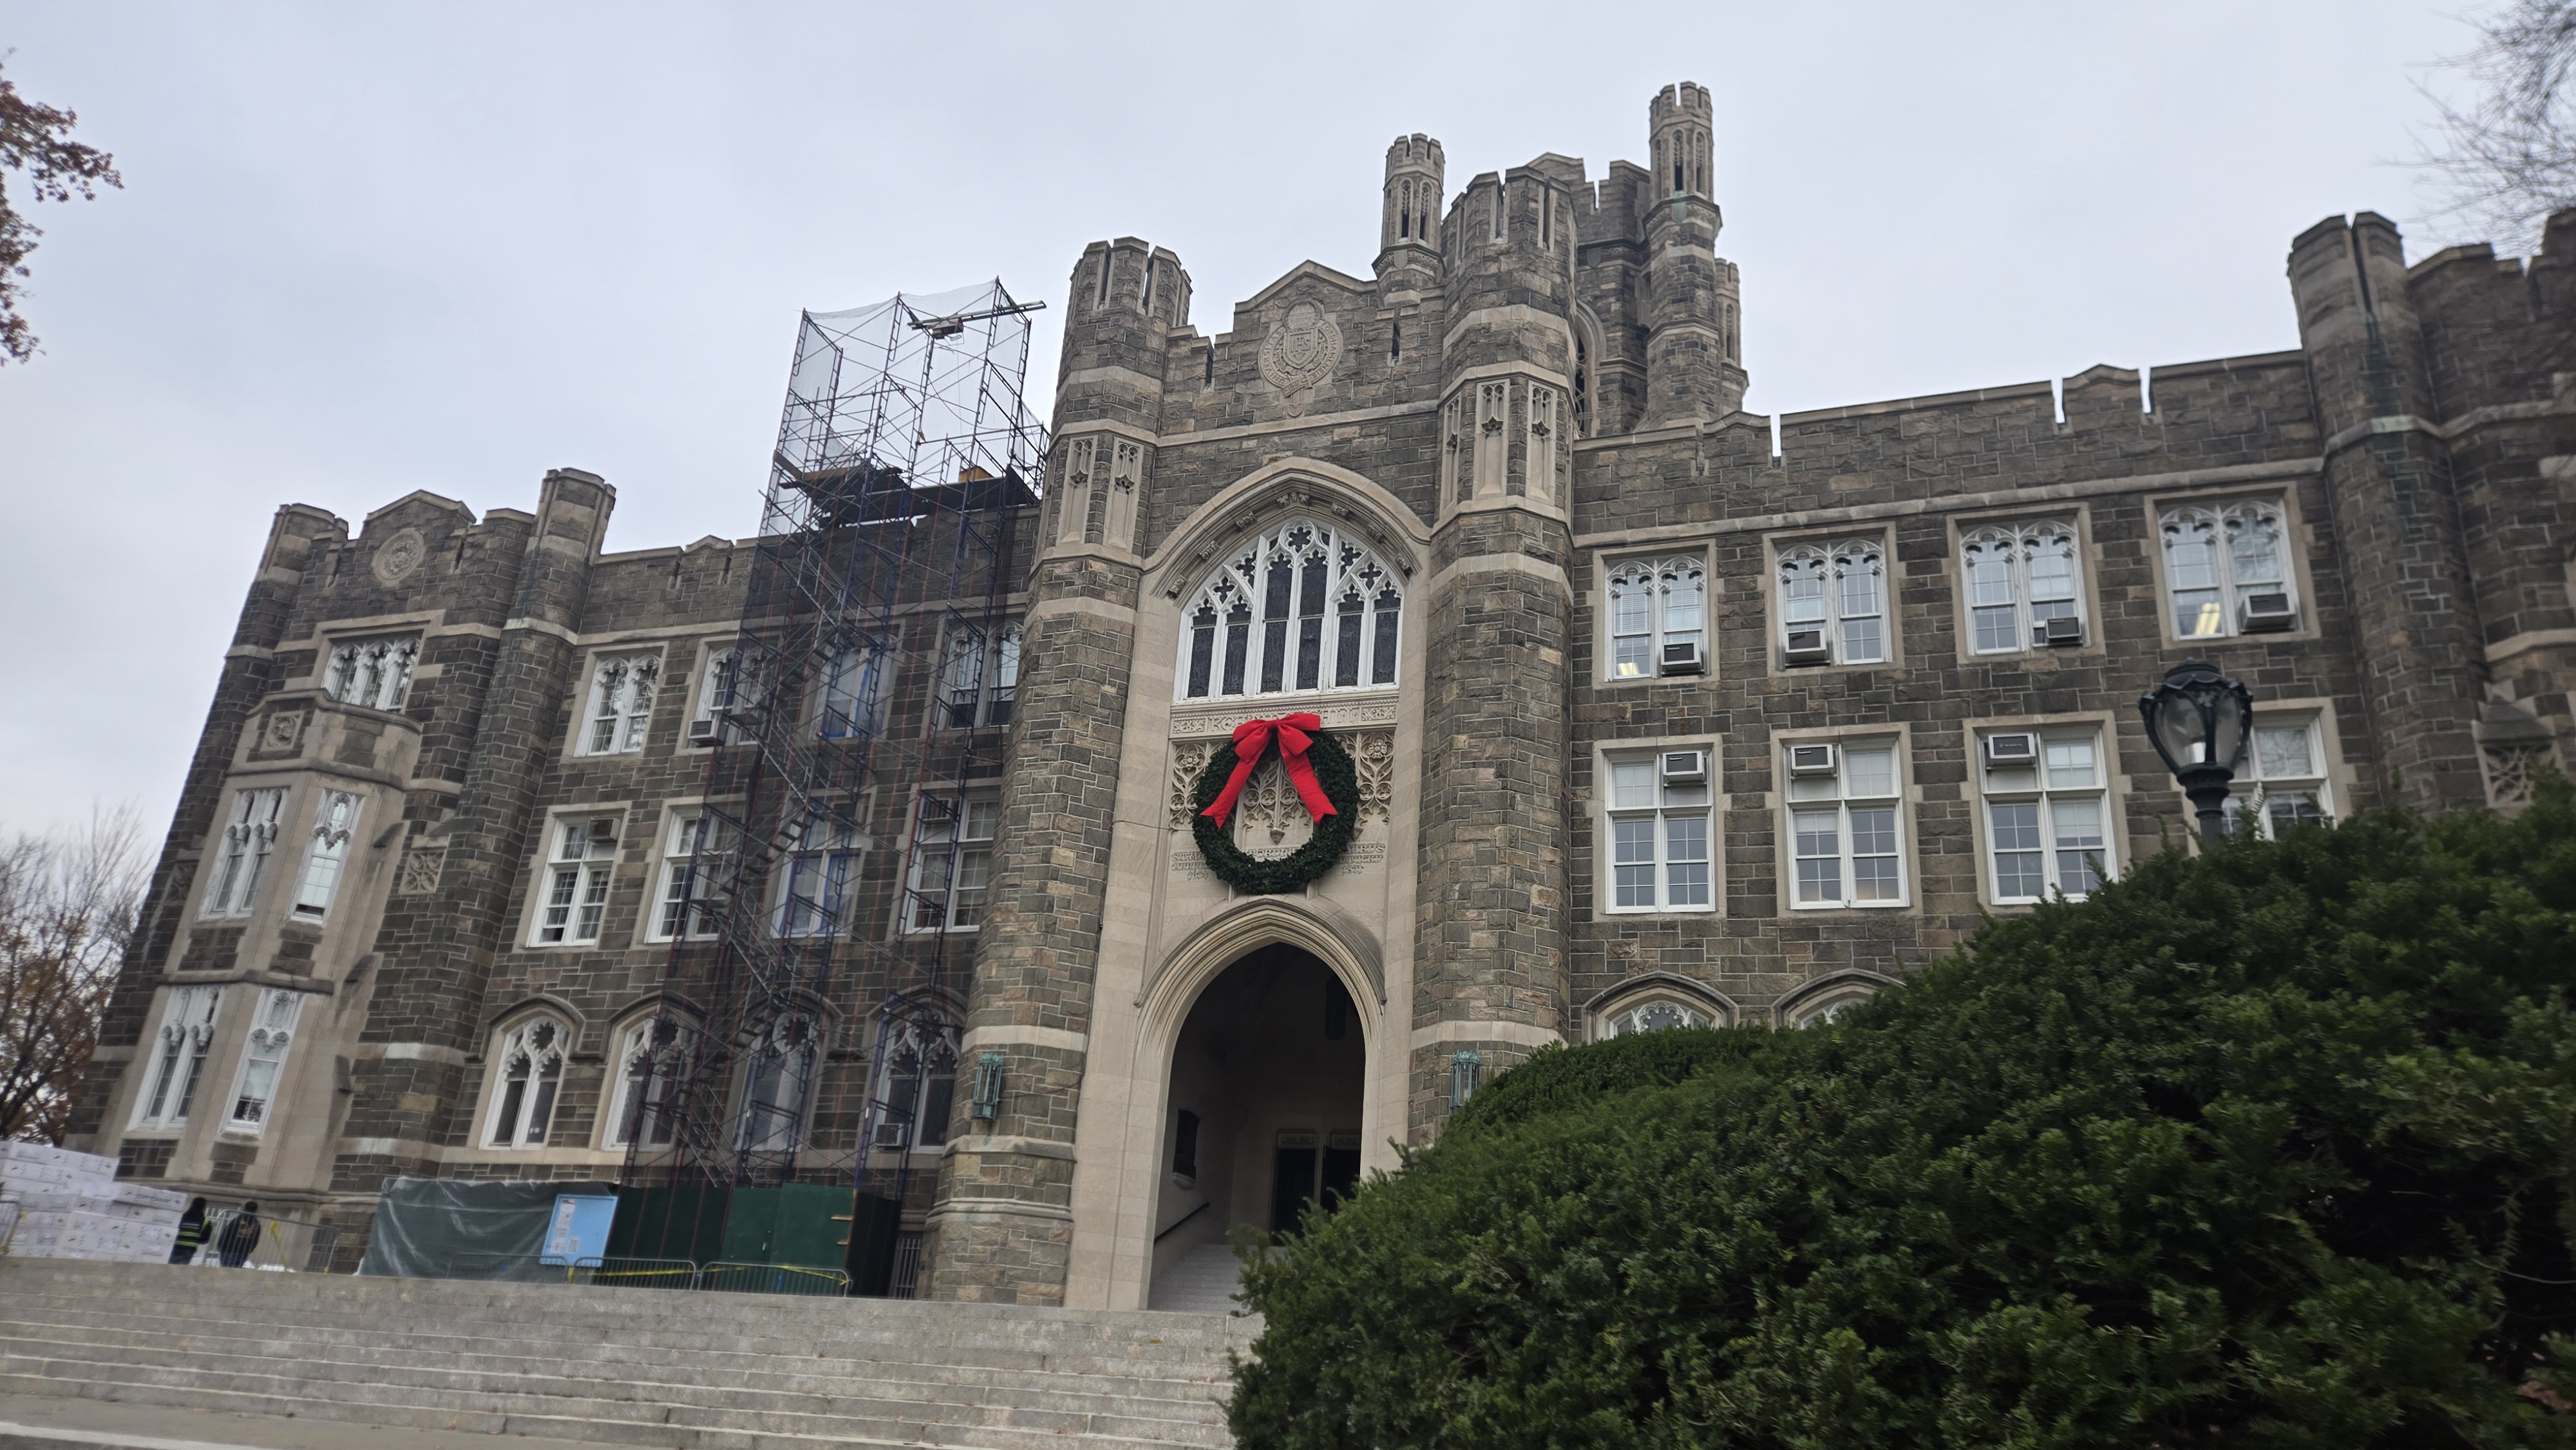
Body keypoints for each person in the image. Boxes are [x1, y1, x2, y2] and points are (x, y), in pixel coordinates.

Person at [214, 1201, 261, 1268]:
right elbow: (255, 1240)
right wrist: (249, 1250)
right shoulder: (256, 1225)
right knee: (235, 1271)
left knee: (225, 1271)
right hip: (243, 1253)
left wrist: (221, 1247)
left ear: (245, 1208)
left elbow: (226, 1233)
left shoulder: (237, 1221)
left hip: (229, 1251)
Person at [168, 1198, 209, 1265]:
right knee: (181, 1268)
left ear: (192, 1205)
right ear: (203, 1207)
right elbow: (205, 1239)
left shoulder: (182, 1217)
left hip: (175, 1246)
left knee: (170, 1266)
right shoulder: (205, 1221)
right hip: (190, 1248)